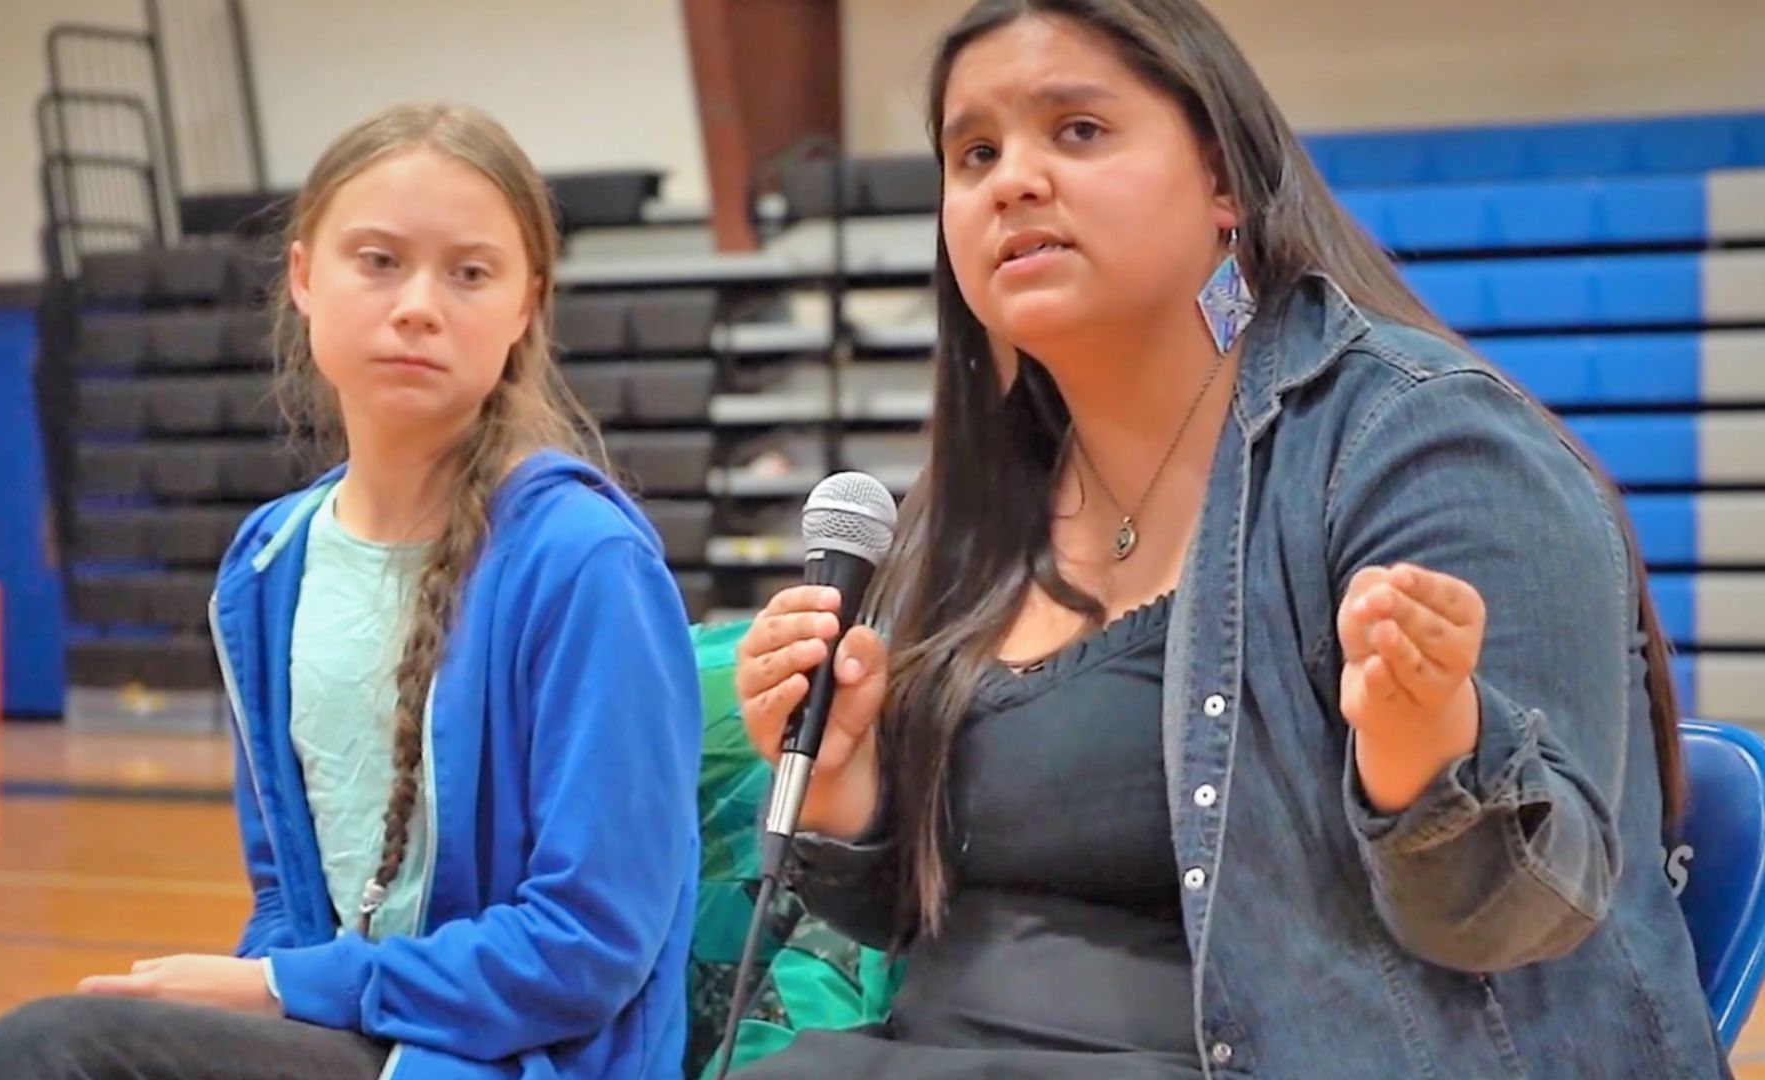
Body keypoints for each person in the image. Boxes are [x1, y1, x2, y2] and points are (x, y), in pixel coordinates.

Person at [731, 1, 1729, 1076]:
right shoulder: (963, 510)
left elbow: (1528, 919)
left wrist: (1424, 751)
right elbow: (915, 920)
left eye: (1078, 130)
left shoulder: (1422, 443)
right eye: (975, 152)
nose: (1013, 179)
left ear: (1223, 184)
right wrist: (844, 788)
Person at [0, 102, 702, 1080]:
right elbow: (287, 905)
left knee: (50, 1054)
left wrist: (280, 992)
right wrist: (261, 998)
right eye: (379, 260)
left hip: (516, 1063)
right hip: (342, 1043)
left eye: (470, 273)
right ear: (304, 277)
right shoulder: (269, 563)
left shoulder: (584, 561)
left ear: (526, 305)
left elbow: (587, 948)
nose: (419, 305)